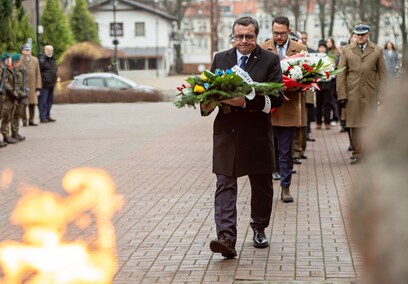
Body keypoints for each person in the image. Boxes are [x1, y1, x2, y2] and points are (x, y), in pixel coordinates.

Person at [202, 16, 284, 259]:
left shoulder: (269, 60)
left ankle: (259, 227)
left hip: (256, 133)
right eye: (239, 36)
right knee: (224, 184)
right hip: (227, 133)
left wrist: (247, 101)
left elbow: (277, 98)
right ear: (233, 36)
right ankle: (226, 238)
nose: (244, 41)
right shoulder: (221, 58)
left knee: (261, 185)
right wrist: (206, 103)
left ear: (256, 36)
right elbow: (210, 90)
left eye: (249, 36)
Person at [259, 16, 307, 202]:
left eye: (282, 33)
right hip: (268, 108)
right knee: (268, 150)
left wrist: (291, 85)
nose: (278, 37)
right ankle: (266, 188)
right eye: (275, 33)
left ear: (289, 31)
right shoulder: (263, 48)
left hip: (289, 106)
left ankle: (285, 188)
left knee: (286, 151)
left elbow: (306, 78)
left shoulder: (300, 49)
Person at [336, 22, 387, 164]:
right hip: (353, 93)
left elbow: (383, 74)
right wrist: (342, 95)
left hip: (371, 93)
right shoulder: (346, 50)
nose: (360, 37)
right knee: (355, 124)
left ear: (368, 34)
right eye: (358, 34)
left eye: (363, 34)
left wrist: (383, 95)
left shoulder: (377, 50)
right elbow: (341, 75)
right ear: (354, 35)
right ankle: (357, 153)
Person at [299, 31, 316, 142]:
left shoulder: (310, 53)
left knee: (306, 116)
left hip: (306, 91)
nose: (303, 40)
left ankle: (306, 136)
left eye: (305, 38)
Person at [315, 40, 334, 130]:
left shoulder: (329, 58)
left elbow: (332, 71)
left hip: (327, 83)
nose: (322, 49)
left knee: (327, 104)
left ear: (326, 48)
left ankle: (327, 122)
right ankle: (318, 122)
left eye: (323, 47)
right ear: (318, 48)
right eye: (320, 47)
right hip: (318, 83)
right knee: (318, 104)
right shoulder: (315, 58)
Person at [21, 44, 42, 126]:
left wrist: (38, 88)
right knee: (23, 105)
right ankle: (24, 120)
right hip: (23, 86)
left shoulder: (35, 60)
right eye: (26, 50)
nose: (27, 52)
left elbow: (38, 74)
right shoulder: (19, 59)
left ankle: (31, 120)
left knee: (32, 104)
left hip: (33, 86)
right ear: (22, 51)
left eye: (29, 50)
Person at [1, 52, 18, 144]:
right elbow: (6, 84)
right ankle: (5, 135)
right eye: (8, 59)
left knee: (9, 116)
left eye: (11, 59)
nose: (10, 60)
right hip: (6, 97)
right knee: (5, 116)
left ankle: (6, 135)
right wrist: (13, 91)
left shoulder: (11, 69)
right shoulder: (3, 70)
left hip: (11, 97)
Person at [10, 53, 27, 142]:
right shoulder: (12, 71)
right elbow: (13, 84)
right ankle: (12, 133)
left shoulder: (21, 69)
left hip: (21, 95)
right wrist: (19, 93)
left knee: (18, 114)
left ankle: (15, 132)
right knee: (13, 115)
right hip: (15, 95)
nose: (21, 62)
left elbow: (23, 83)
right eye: (20, 60)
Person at [38, 45, 57, 123]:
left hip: (51, 84)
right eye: (48, 51)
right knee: (43, 101)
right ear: (45, 51)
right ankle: (42, 117)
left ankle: (47, 116)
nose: (49, 52)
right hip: (44, 85)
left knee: (50, 101)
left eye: (51, 51)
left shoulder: (52, 60)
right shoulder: (41, 60)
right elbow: (38, 72)